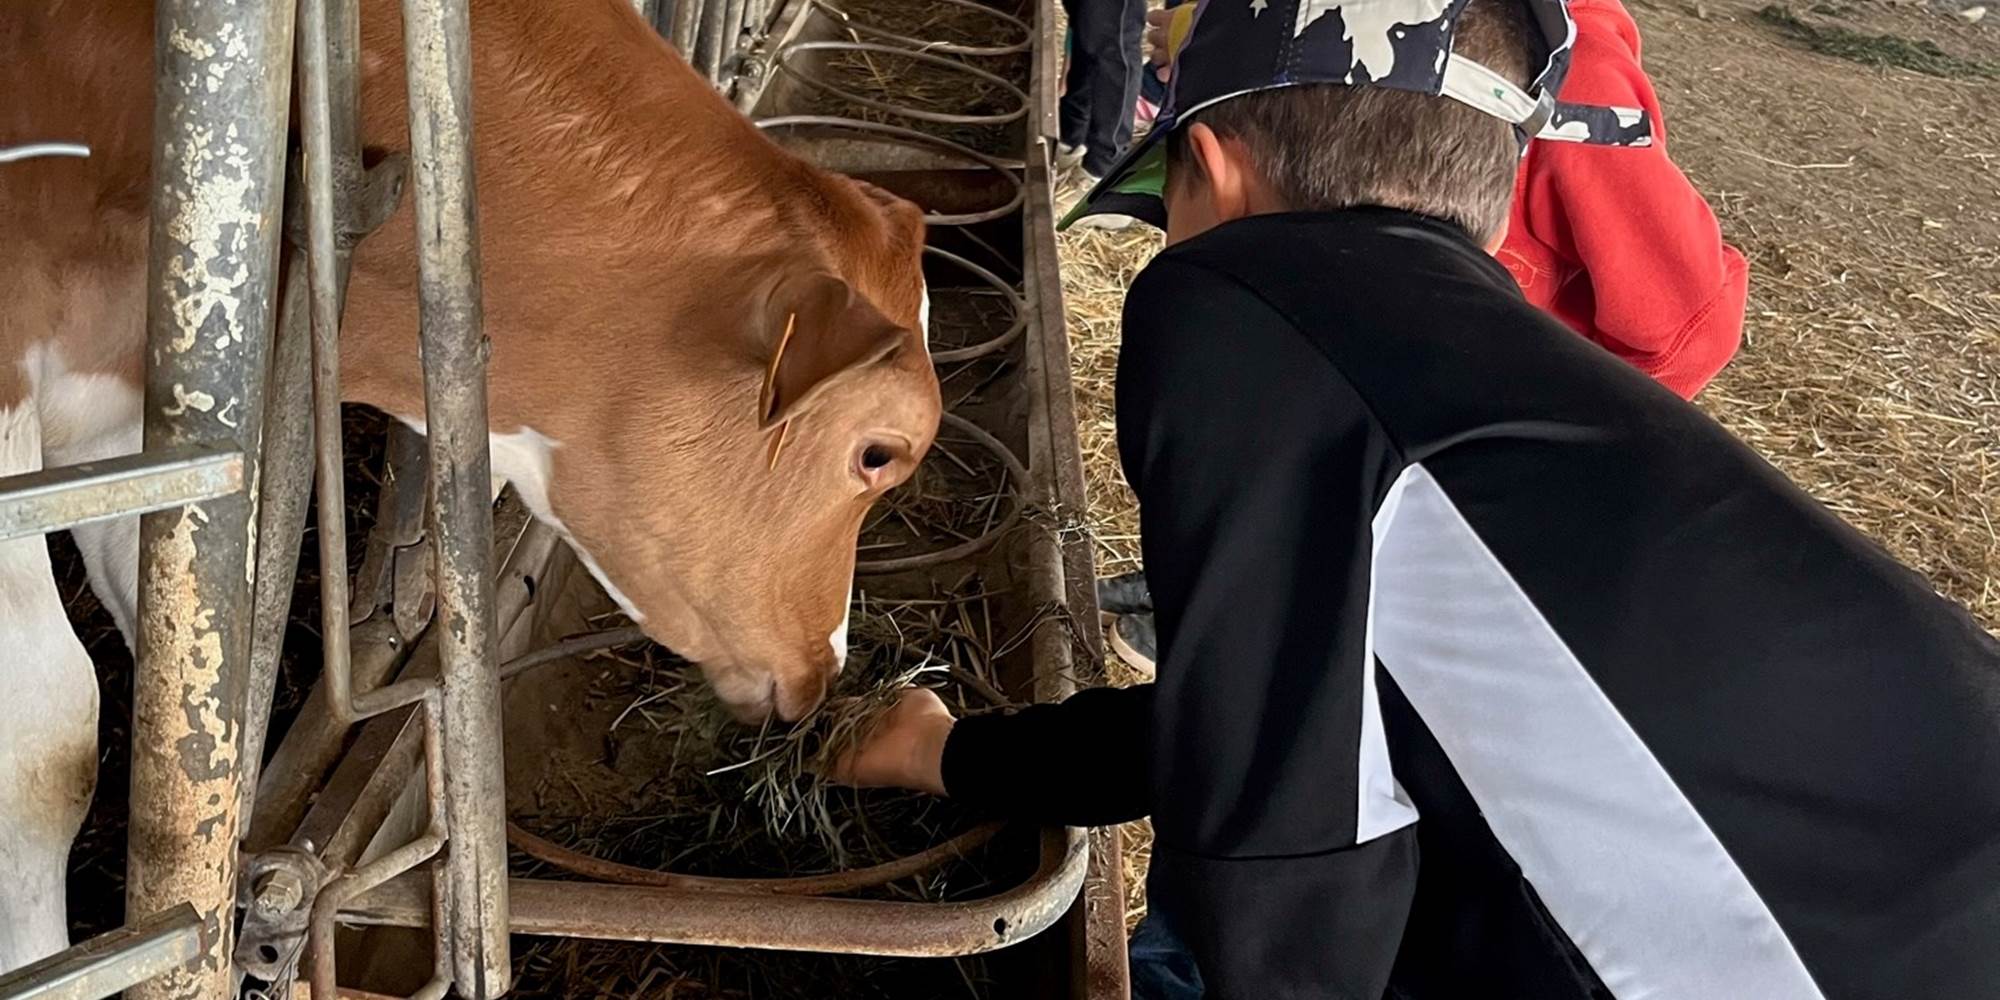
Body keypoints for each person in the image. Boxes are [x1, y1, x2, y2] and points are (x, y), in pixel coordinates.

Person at [832, 0, 2000, 996]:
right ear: (1491, 204)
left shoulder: (1242, 303)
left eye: (1164, 200)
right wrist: (955, 754)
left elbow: (1286, 878)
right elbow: (1272, 711)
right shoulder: (1513, 407)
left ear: (1213, 171)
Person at [1105, 0, 1752, 672]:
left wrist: (1553, 410)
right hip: (1341, 350)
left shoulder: (1573, 78)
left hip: (1458, 411)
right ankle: (1201, 587)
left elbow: (1687, 318)